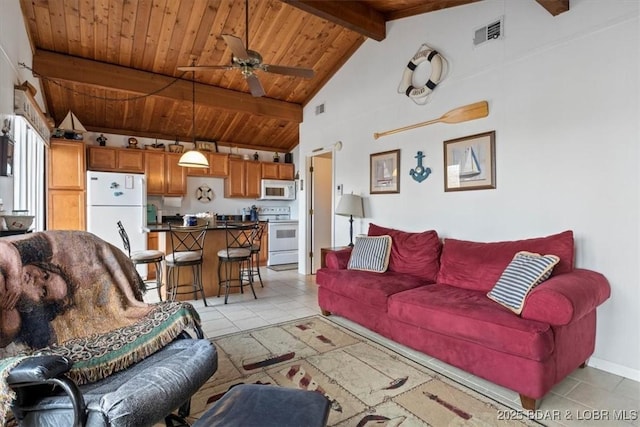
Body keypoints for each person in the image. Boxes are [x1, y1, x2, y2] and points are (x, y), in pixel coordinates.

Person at [0, 238, 76, 348]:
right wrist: (14, 276)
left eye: (44, 291)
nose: (37, 279)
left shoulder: (12, 320)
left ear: (36, 306)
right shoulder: (13, 258)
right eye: (45, 275)